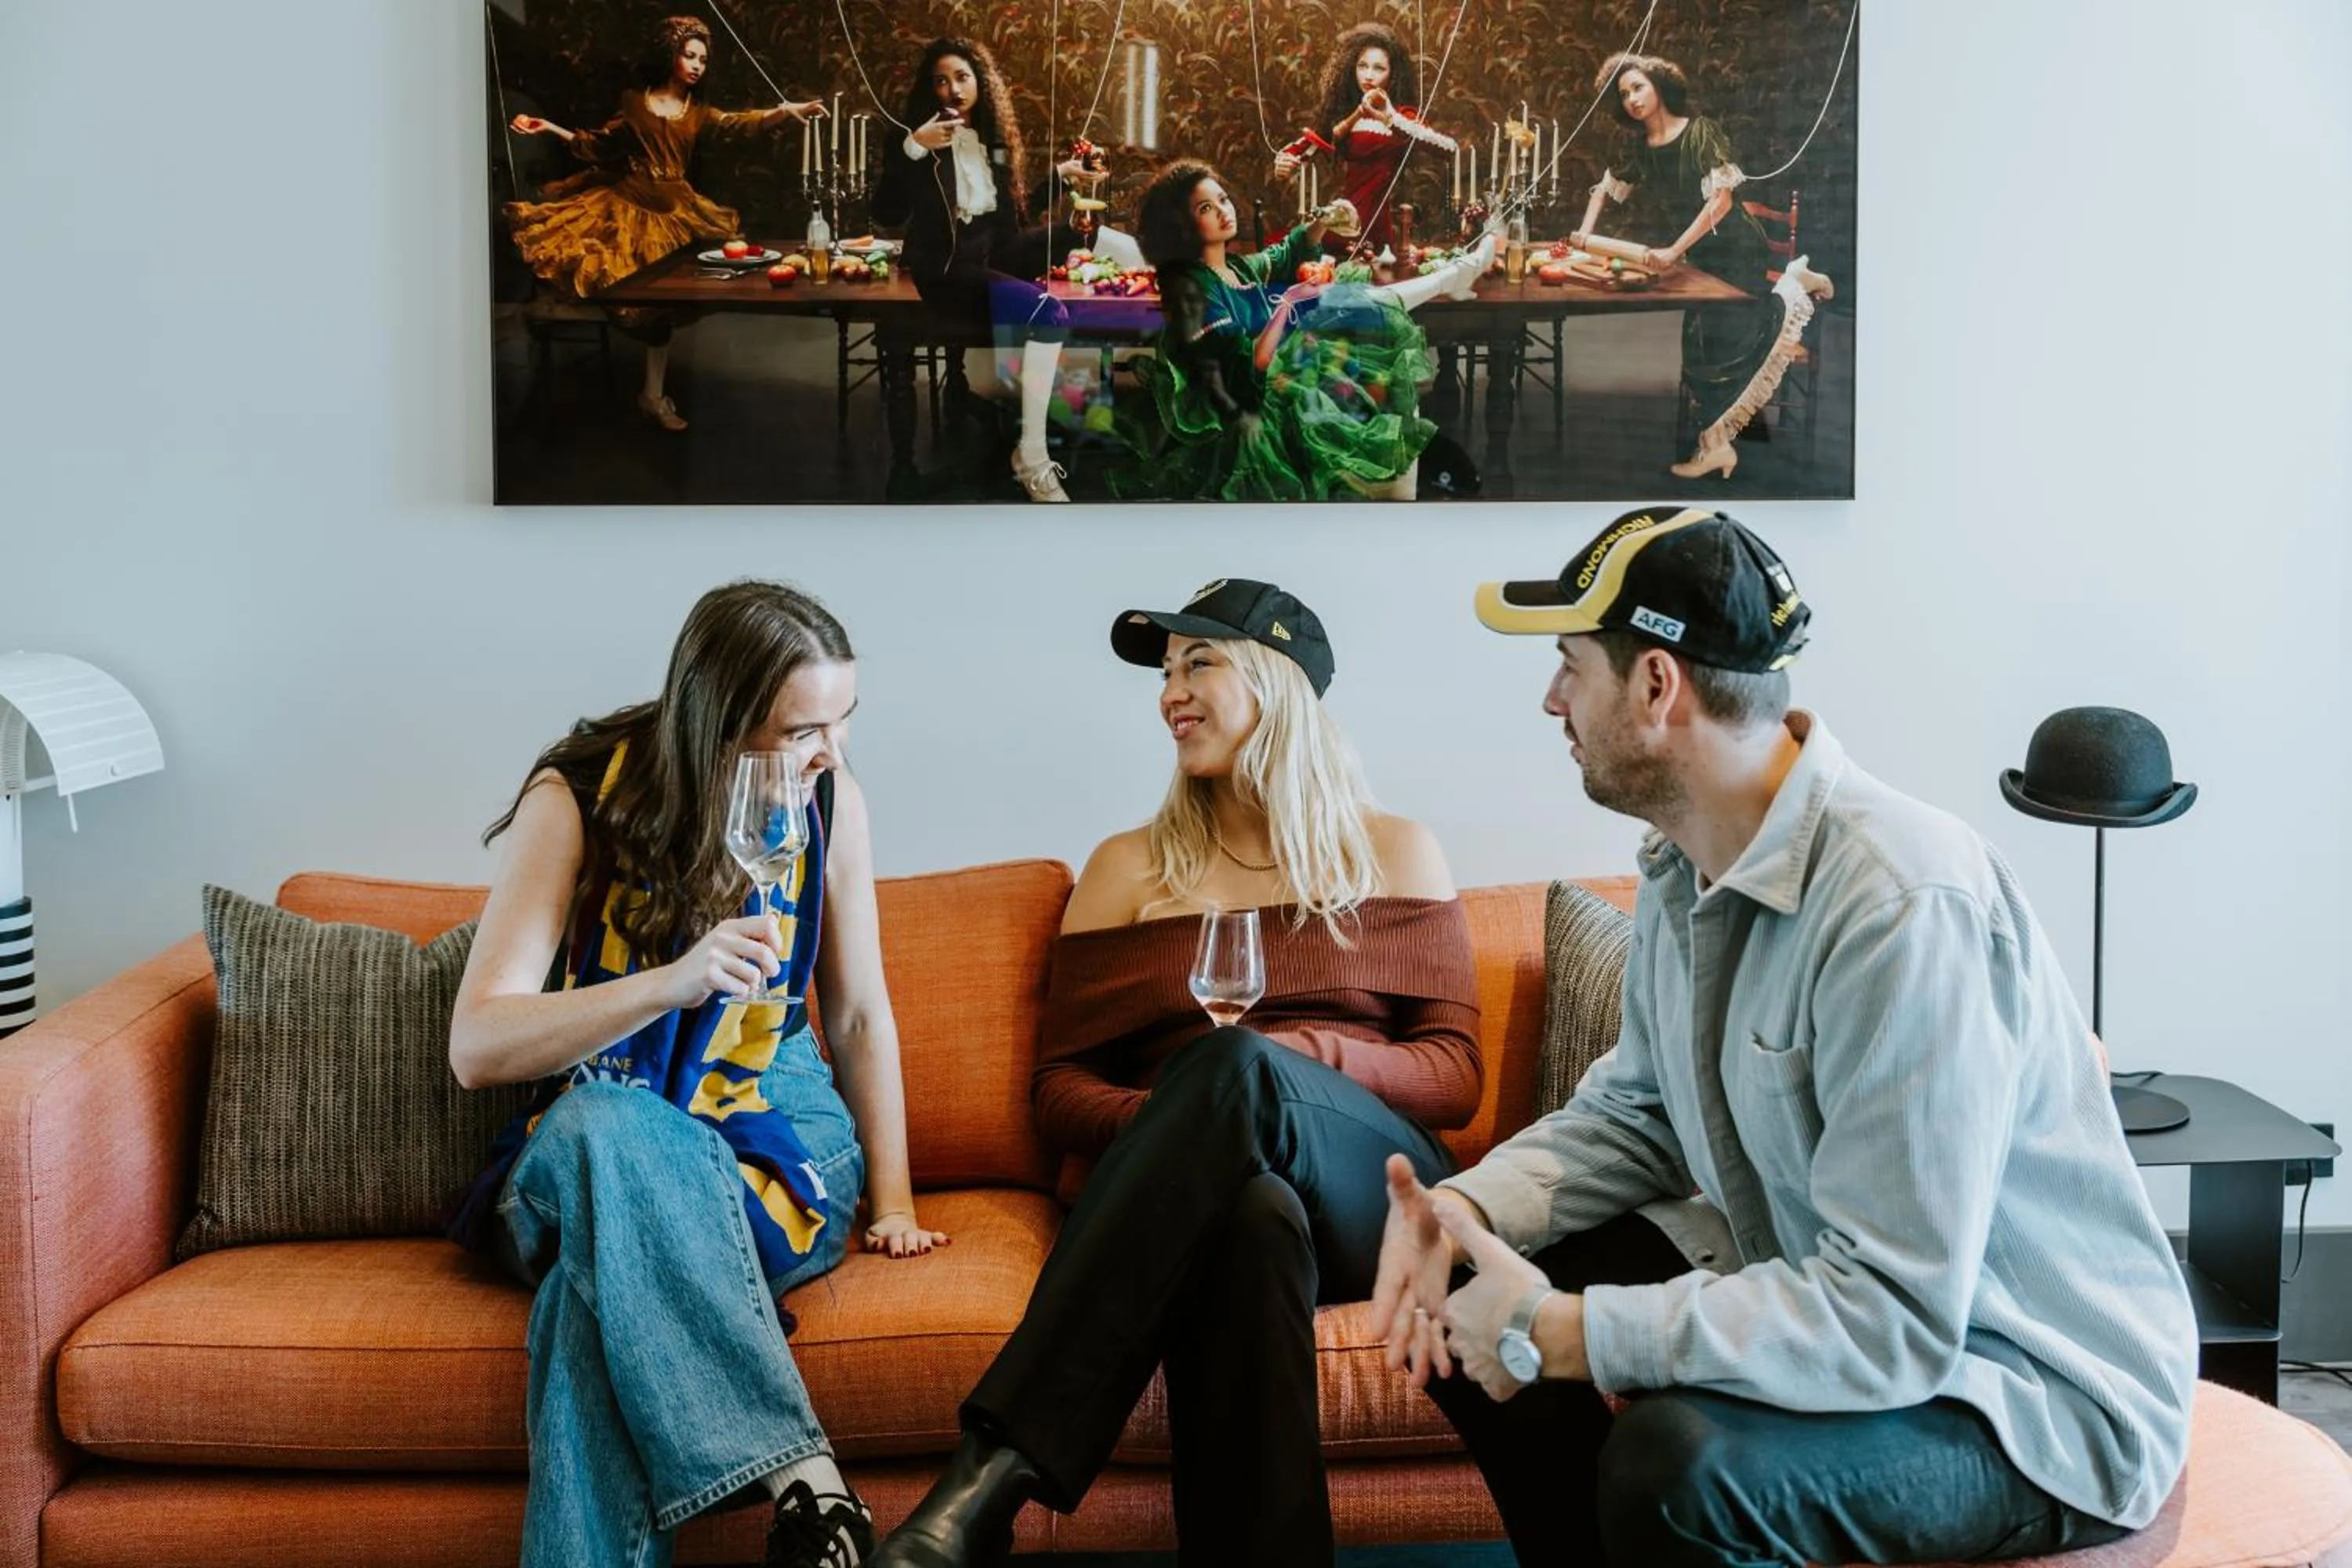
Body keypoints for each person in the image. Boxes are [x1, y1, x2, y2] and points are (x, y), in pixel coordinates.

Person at [1370, 507, 2201, 1566]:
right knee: (1459, 1282)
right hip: (1849, 1304)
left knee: (1679, 1470)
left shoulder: (1901, 905)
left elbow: (1891, 1315)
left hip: (2023, 1390)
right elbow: (1642, 1114)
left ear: (1657, 685)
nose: (1551, 699)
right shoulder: (1685, 864)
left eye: (1571, 666)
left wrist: (1569, 1332)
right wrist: (1461, 1208)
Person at [869, 579, 1481, 1566]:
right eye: (1165, 672)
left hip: (1379, 1193)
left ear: (1277, 684)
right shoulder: (1127, 869)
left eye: (1200, 662)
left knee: (1235, 1064)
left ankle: (990, 1472)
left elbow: (1452, 1076)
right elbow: (1060, 1090)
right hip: (1212, 1199)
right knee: (1248, 1218)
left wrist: (1280, 1068)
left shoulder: (1393, 850)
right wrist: (1191, 1126)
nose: (1171, 693)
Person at [449, 579, 947, 1568]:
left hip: (775, 1137)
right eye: (804, 729)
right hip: (603, 1130)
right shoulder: (580, 797)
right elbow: (478, 1045)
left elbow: (854, 1011)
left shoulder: (831, 801)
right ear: (717, 725)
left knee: (585, 1305)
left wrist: (891, 1197)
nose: (831, 754)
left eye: (843, 722)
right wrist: (668, 984)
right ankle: (806, 1479)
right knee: (602, 1126)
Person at [504, 16, 827, 434]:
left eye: (703, 60)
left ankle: (651, 395)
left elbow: (737, 123)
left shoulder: (697, 112)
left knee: (663, 310)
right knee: (604, 280)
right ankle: (578, 351)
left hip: (675, 216)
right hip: (627, 209)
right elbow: (597, 146)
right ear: (670, 55)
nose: (696, 65)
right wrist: (547, 127)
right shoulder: (634, 103)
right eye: (689, 55)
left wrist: (785, 111)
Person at [1111, 163, 1496, 501]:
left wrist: (1322, 221)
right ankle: (1450, 278)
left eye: (1223, 199)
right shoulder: (1190, 285)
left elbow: (1281, 256)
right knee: (1339, 305)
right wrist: (1288, 304)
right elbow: (1250, 364)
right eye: (1205, 208)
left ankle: (1450, 278)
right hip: (1242, 402)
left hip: (1272, 373)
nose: (1223, 212)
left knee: (1346, 301)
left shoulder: (1234, 267)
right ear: (1182, 224)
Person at [872, 38, 1147, 503]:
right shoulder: (913, 139)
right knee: (1048, 312)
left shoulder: (990, 142)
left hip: (989, 259)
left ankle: (1141, 287)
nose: (953, 88)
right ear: (930, 89)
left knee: (1076, 230)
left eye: (962, 77)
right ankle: (1033, 457)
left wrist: (1063, 175)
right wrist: (913, 147)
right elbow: (887, 212)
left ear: (980, 83)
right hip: (945, 270)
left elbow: (1015, 221)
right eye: (941, 80)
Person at [1566, 54, 1836, 479]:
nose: (1632, 99)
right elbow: (1604, 188)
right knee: (1699, 344)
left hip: (1737, 248)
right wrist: (1581, 237)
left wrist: (1673, 251)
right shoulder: (1638, 149)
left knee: (1725, 343)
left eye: (1638, 87)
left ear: (1659, 85)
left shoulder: (1700, 132)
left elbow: (1722, 200)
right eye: (1623, 94)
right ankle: (1718, 445)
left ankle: (1793, 284)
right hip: (1701, 256)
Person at [1272, 23, 1460, 258]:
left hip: (1380, 224)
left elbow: (1448, 148)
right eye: (1362, 66)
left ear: (1393, 73)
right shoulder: (1344, 115)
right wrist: (1284, 161)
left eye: (1379, 68)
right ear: (1352, 69)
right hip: (1343, 218)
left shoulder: (1404, 116)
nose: (1369, 75)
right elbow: (1304, 147)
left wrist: (1390, 118)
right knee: (1288, 251)